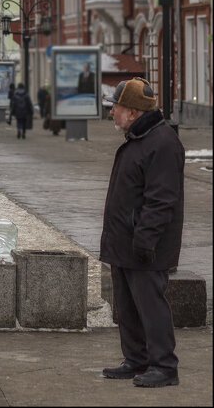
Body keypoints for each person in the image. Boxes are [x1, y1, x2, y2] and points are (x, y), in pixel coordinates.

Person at [101, 77, 184, 389]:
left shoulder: (162, 142)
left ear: (133, 112)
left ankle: (164, 365)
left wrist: (145, 240)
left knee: (151, 306)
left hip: (146, 245)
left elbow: (162, 200)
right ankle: (136, 359)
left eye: (116, 107)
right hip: (124, 243)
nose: (112, 113)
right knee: (128, 306)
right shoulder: (138, 138)